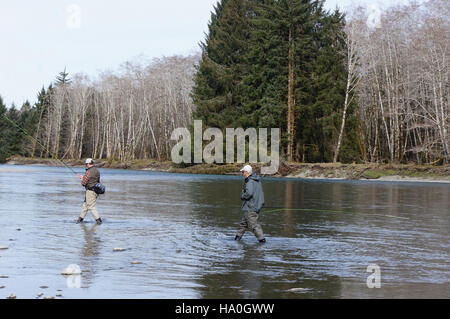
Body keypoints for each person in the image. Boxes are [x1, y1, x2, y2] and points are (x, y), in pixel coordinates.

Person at [235, 165, 266, 243]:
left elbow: (249, 193)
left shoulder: (250, 181)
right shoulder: (257, 180)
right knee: (243, 224)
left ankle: (262, 240)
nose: (243, 174)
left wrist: (242, 196)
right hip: (254, 206)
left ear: (247, 172)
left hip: (251, 207)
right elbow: (260, 194)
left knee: (253, 225)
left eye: (243, 172)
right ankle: (237, 239)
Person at [77, 158, 102, 225]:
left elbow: (83, 183)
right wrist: (84, 177)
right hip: (96, 191)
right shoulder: (97, 171)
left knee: (91, 206)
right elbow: (93, 180)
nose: (85, 165)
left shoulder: (88, 172)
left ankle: (98, 220)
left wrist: (82, 179)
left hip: (90, 191)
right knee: (85, 205)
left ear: (88, 164)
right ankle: (80, 220)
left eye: (86, 164)